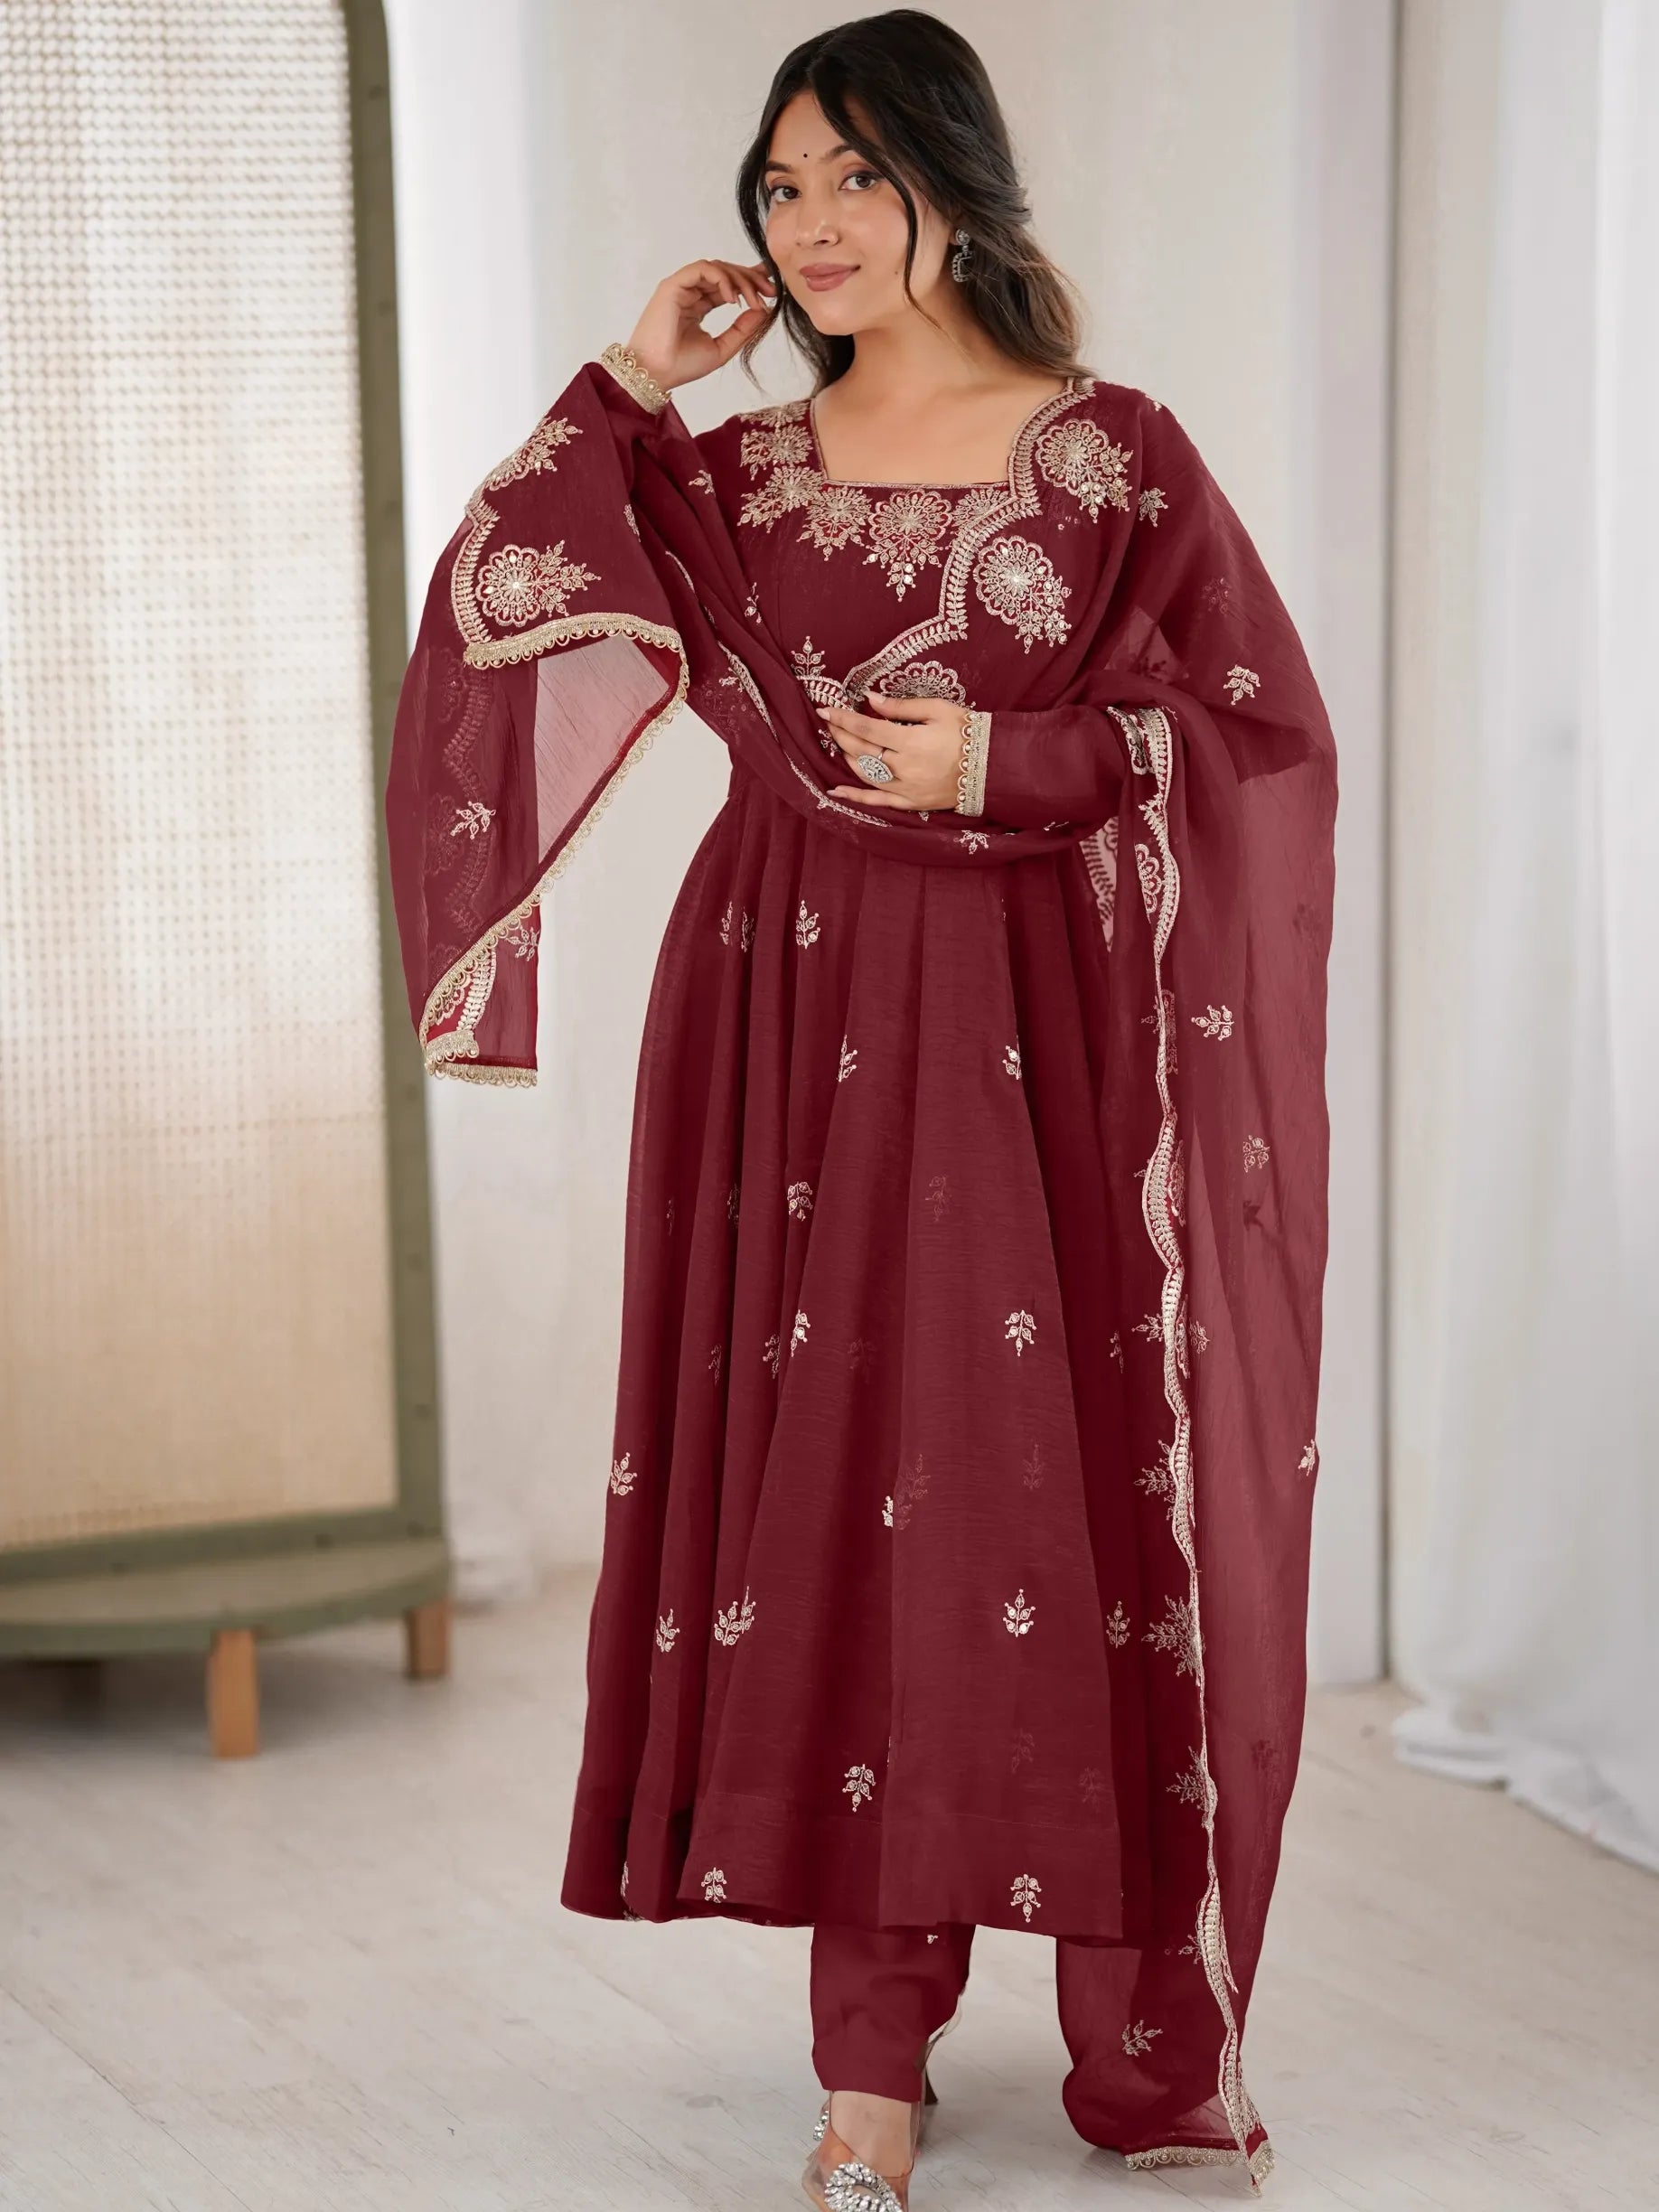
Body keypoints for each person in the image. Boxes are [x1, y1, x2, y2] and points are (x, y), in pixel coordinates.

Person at [385, 11, 1337, 2204]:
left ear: (956, 184)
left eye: (851, 178)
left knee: (1056, 1498)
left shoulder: (1114, 457)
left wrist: (1018, 764)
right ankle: (868, 2073)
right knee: (839, 1502)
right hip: (788, 1013)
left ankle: (1136, 2033)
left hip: (1042, 1021)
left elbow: (1254, 731)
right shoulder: (730, 465)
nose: (807, 226)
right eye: (780, 184)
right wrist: (635, 377)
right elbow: (501, 590)